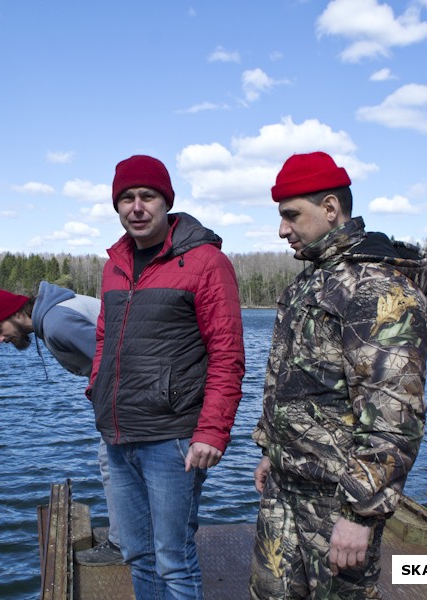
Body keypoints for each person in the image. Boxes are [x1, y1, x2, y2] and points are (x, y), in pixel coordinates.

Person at [249, 152, 427, 599]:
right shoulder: (307, 285)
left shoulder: (380, 290)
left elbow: (395, 416)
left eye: (292, 215)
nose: (282, 230)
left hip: (338, 503)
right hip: (284, 488)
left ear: (330, 209)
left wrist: (361, 514)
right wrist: (271, 448)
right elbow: (290, 384)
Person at [87, 154, 246, 598]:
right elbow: (105, 336)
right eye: (126, 199)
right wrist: (98, 389)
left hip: (173, 438)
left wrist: (212, 432)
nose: (136, 208)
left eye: (147, 196)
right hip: (119, 434)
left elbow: (227, 354)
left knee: (173, 560)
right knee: (138, 554)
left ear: (166, 201)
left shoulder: (205, 262)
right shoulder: (113, 264)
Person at [0, 281, 123, 566]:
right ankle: (130, 536)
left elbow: (117, 362)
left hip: (137, 396)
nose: (0, 340)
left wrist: (100, 395)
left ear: (16, 313)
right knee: (117, 463)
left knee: (114, 463)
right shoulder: (54, 314)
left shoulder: (57, 323)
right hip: (132, 394)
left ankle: (123, 544)